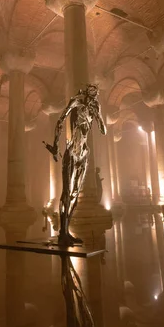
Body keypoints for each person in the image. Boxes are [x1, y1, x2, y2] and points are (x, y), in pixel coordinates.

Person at [44, 83, 107, 246]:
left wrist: (97, 113)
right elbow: (60, 121)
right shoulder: (76, 101)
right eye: (92, 93)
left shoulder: (94, 106)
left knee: (75, 195)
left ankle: (67, 232)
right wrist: (56, 146)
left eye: (96, 94)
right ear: (87, 92)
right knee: (66, 193)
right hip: (72, 150)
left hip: (84, 152)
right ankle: (61, 234)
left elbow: (103, 130)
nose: (94, 96)